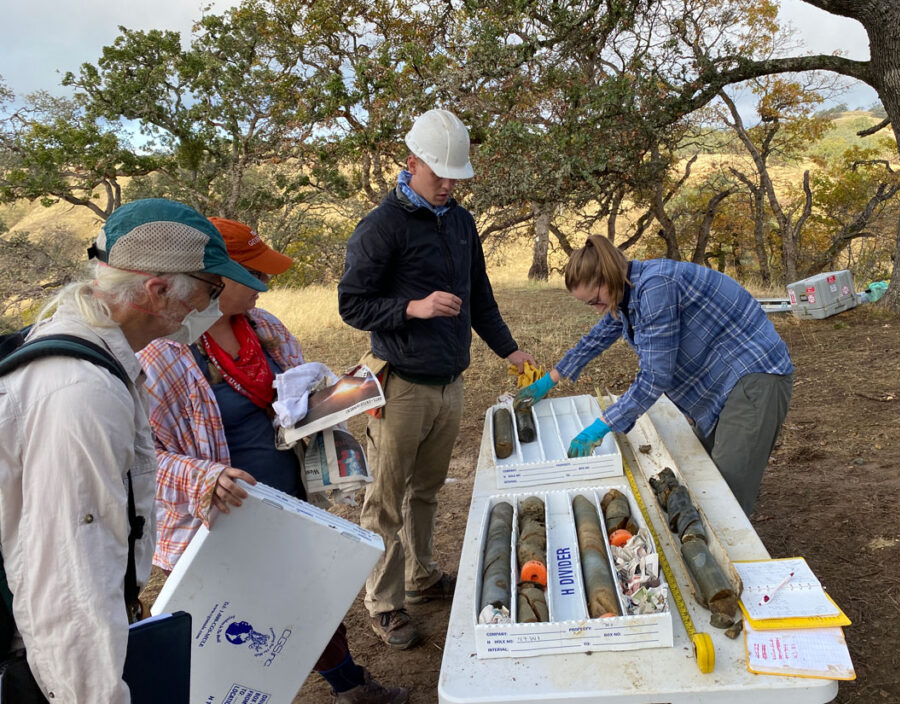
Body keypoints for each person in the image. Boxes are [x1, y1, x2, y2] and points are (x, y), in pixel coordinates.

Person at [0, 198, 264, 702]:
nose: (207, 307)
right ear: (158, 290)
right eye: (208, 291)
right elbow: (71, 588)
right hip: (49, 669)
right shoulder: (83, 393)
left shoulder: (89, 352)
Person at [137, 218, 407, 704]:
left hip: (285, 502)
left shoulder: (265, 328)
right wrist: (205, 476)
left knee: (308, 599)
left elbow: (295, 403)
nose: (267, 285)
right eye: (256, 275)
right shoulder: (163, 354)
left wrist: (338, 399)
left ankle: (350, 685)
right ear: (219, 277)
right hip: (220, 520)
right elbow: (138, 457)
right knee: (226, 621)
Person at [338, 108, 535, 650]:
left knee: (425, 492)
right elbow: (352, 304)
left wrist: (509, 349)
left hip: (451, 383)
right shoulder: (382, 227)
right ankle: (384, 602)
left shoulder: (461, 222)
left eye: (456, 175)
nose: (448, 184)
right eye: (438, 174)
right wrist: (414, 308)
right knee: (386, 496)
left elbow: (481, 297)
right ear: (411, 163)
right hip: (400, 383)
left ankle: (422, 577)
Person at [515, 234, 794, 516]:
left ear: (609, 276)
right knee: (704, 477)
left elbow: (655, 376)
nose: (598, 309)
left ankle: (737, 558)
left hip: (755, 377)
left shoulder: (656, 287)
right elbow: (598, 336)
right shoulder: (627, 291)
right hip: (720, 380)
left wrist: (602, 425)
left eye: (595, 301)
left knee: (725, 497)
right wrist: (551, 378)